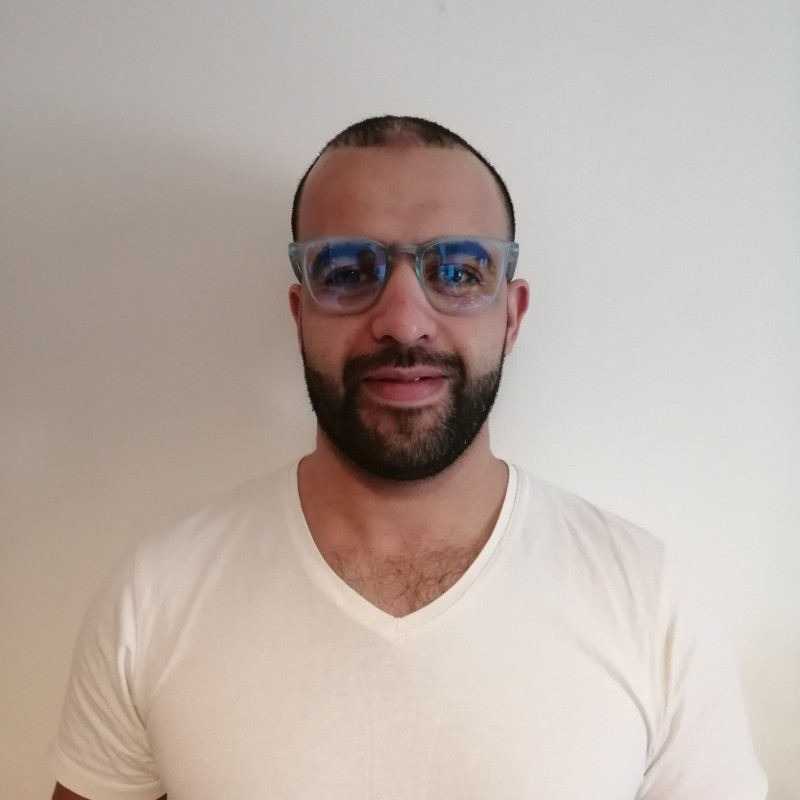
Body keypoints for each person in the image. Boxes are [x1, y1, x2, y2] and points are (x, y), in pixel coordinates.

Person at [49, 115, 766, 800]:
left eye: (457, 271)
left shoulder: (650, 601)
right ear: (300, 314)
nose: (402, 321)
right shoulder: (156, 596)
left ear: (511, 315)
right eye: (347, 270)